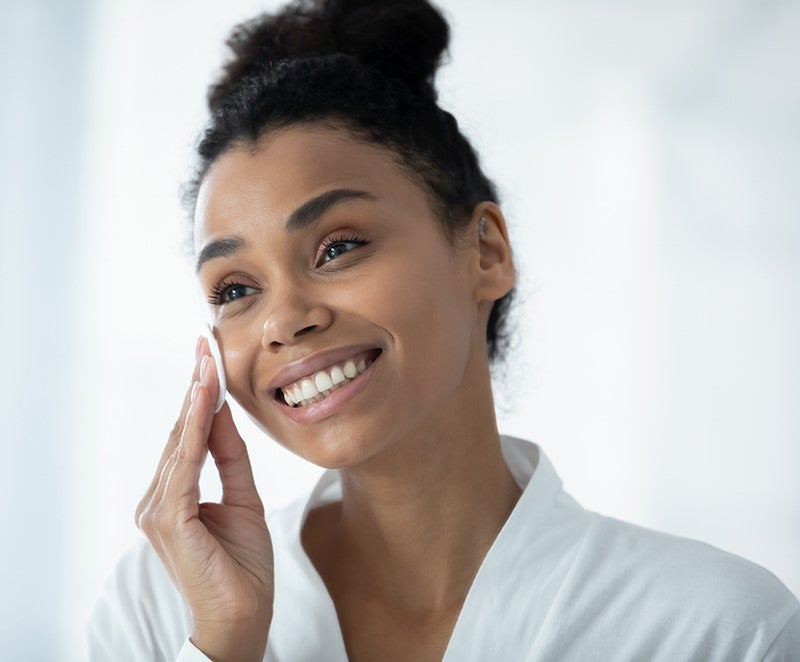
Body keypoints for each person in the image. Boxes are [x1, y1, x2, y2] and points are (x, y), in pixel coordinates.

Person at [87, 1, 800, 660]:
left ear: (485, 251)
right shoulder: (159, 607)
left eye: (339, 247)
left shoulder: (718, 628)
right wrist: (224, 644)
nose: (283, 319)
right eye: (236, 290)